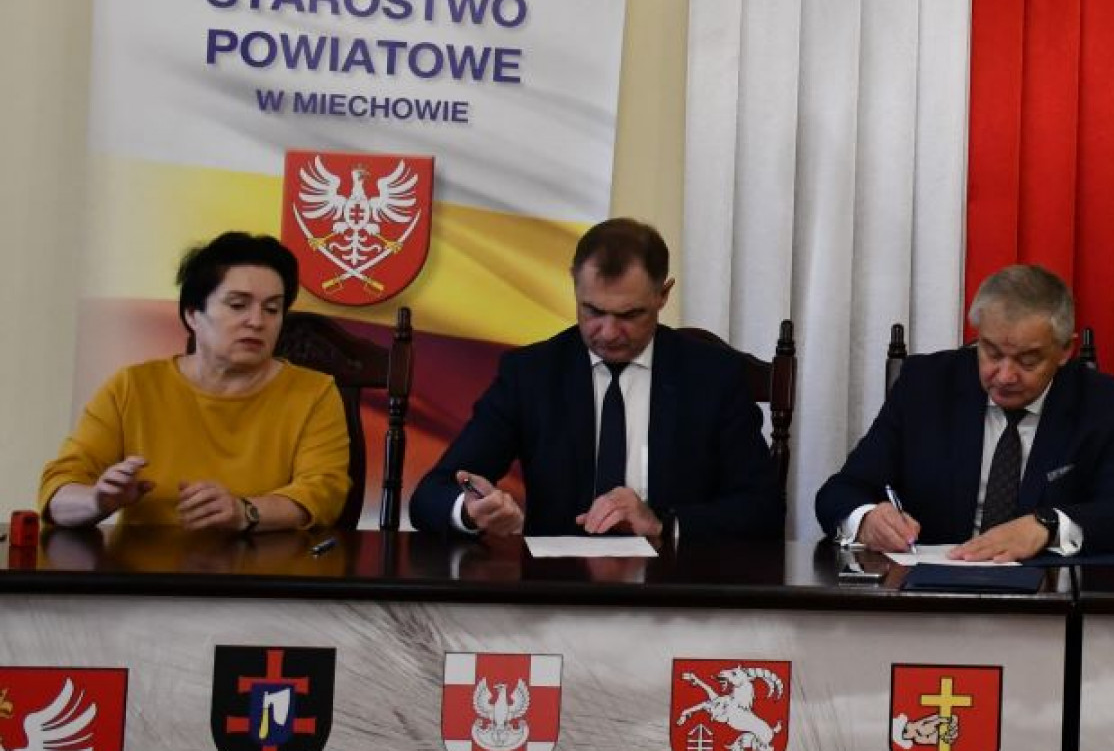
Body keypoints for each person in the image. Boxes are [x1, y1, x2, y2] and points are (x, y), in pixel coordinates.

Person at [410, 218, 782, 540]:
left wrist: (664, 525)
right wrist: (470, 511)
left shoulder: (712, 376)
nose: (608, 332)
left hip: (673, 584)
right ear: (574, 285)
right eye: (592, 311)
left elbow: (763, 509)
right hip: (558, 583)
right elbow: (432, 494)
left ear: (663, 294)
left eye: (629, 315)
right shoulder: (531, 374)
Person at [816, 264, 1114, 560]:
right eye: (991, 352)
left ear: (1065, 350)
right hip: (930, 592)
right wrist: (866, 519)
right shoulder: (925, 386)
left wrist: (1046, 525)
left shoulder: (1103, 404)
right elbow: (840, 491)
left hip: (1044, 596)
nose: (1004, 376)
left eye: (1027, 360)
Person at [38, 232, 351, 532]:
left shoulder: (313, 393)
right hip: (145, 566)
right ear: (192, 315)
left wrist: (245, 512)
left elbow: (324, 493)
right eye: (238, 305)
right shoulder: (132, 387)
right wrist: (97, 501)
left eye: (272, 309)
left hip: (266, 564)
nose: (257, 321)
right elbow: (58, 490)